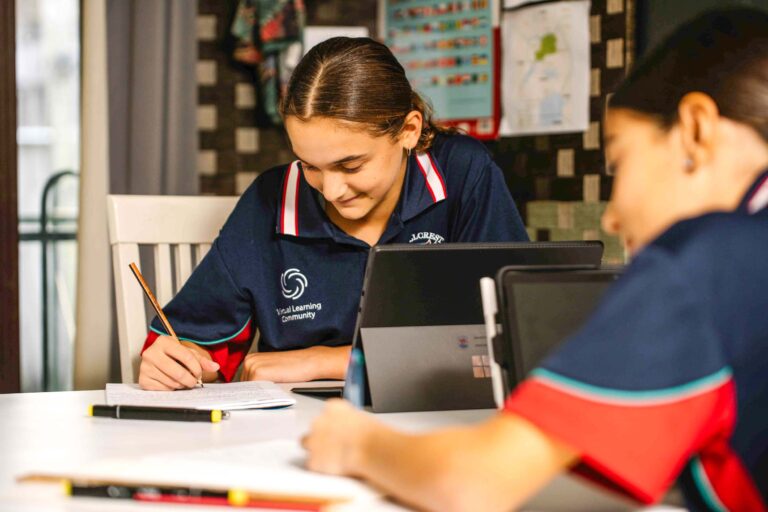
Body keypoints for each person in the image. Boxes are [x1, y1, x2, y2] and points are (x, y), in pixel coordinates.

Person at [302, 9, 768, 512]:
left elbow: (475, 483)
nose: (612, 218)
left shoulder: (700, 262)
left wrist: (356, 443)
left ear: (696, 130)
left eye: (620, 162)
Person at [137, 37, 528, 390]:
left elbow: (511, 337)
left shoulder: (463, 173)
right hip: (296, 430)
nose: (331, 190)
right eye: (309, 165)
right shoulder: (269, 199)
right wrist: (174, 360)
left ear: (409, 129)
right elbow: (199, 341)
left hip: (441, 421)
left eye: (351, 165)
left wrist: (323, 361)